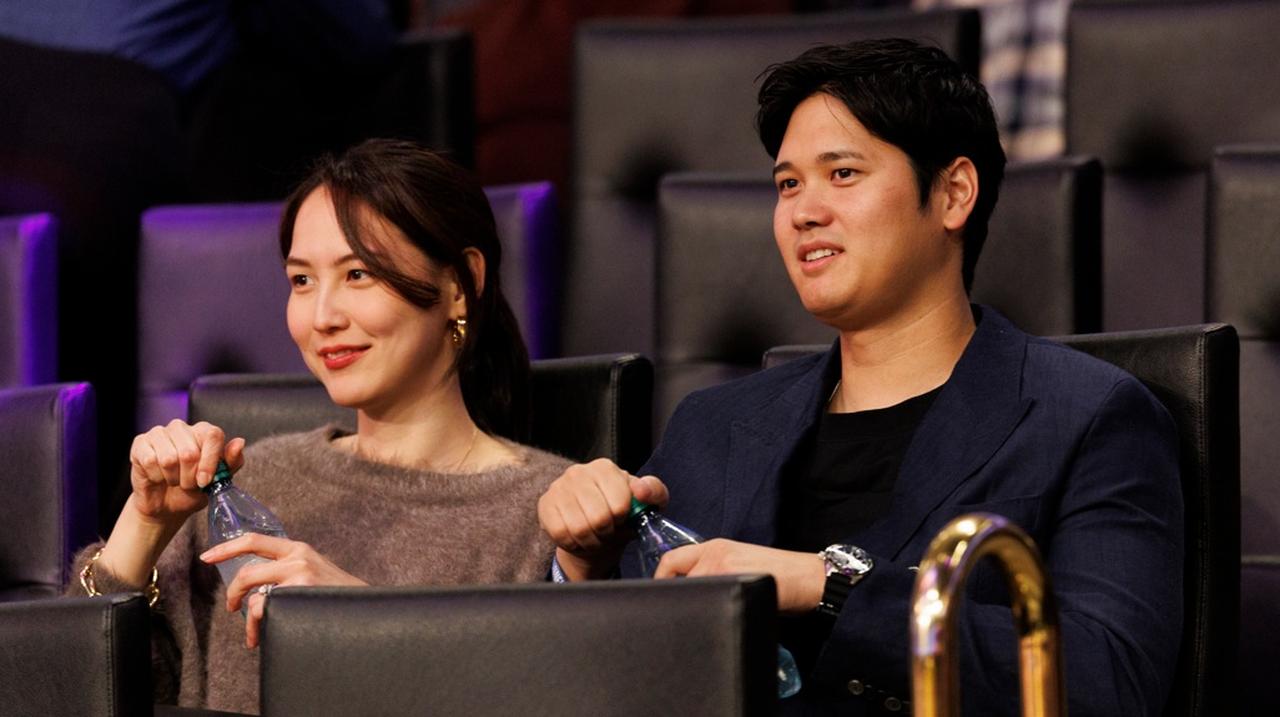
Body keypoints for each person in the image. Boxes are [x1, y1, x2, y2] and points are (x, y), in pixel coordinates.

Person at [537, 39, 1182, 715]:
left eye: (842, 173)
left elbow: (1109, 680)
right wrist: (582, 567)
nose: (803, 211)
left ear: (954, 193)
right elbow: (611, 676)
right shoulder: (712, 426)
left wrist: (828, 586)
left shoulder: (1088, 416)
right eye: (788, 184)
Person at [68, 139, 570, 715]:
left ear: (460, 284)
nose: (323, 317)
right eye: (302, 281)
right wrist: (145, 525)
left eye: (358, 274)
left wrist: (359, 624)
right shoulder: (242, 490)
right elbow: (75, 687)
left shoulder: (549, 514)